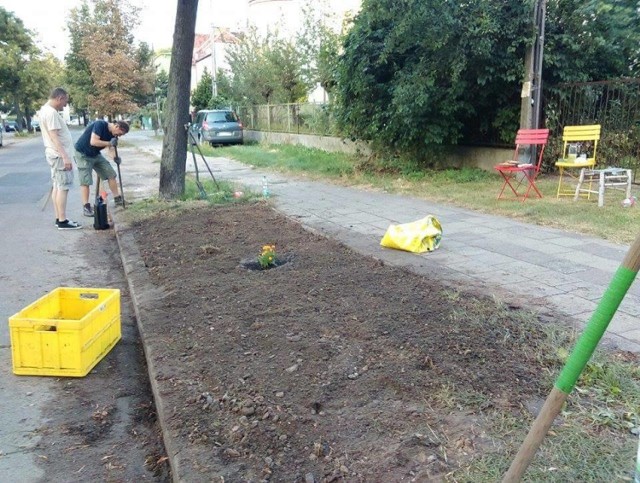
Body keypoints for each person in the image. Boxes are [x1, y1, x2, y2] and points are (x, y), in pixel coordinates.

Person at [40, 87, 81, 230]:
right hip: (58, 156)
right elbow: (54, 136)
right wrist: (65, 156)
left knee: (58, 186)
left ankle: (59, 218)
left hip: (54, 154)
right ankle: (62, 220)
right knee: (63, 187)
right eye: (65, 101)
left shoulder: (45, 110)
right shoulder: (51, 113)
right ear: (59, 98)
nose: (65, 105)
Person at [74, 119, 129, 216]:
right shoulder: (100, 124)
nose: (119, 136)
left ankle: (117, 199)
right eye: (120, 134)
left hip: (95, 154)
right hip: (83, 153)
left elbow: (111, 149)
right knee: (86, 180)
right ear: (116, 126)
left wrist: (115, 158)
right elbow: (93, 141)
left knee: (111, 174)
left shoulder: (113, 135)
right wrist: (110, 143)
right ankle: (86, 207)